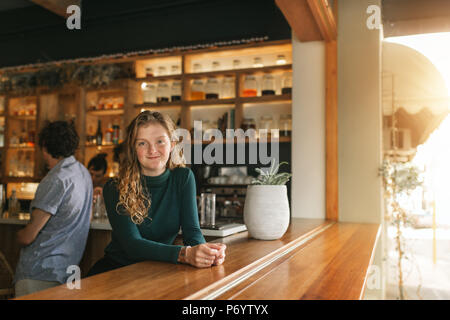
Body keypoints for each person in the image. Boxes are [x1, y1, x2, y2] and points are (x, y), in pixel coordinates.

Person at [87, 111, 226, 276]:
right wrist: (185, 254)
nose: (152, 150)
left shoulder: (183, 177)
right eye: (142, 143)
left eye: (160, 141)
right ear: (133, 148)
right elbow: (132, 244)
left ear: (172, 144)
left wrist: (205, 254)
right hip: (117, 272)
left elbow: (192, 231)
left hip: (158, 271)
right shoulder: (115, 187)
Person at [14, 121, 93, 297]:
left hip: (40, 271)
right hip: (69, 271)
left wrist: (17, 235)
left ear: (44, 146)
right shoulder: (83, 173)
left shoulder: (56, 178)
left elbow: (28, 237)